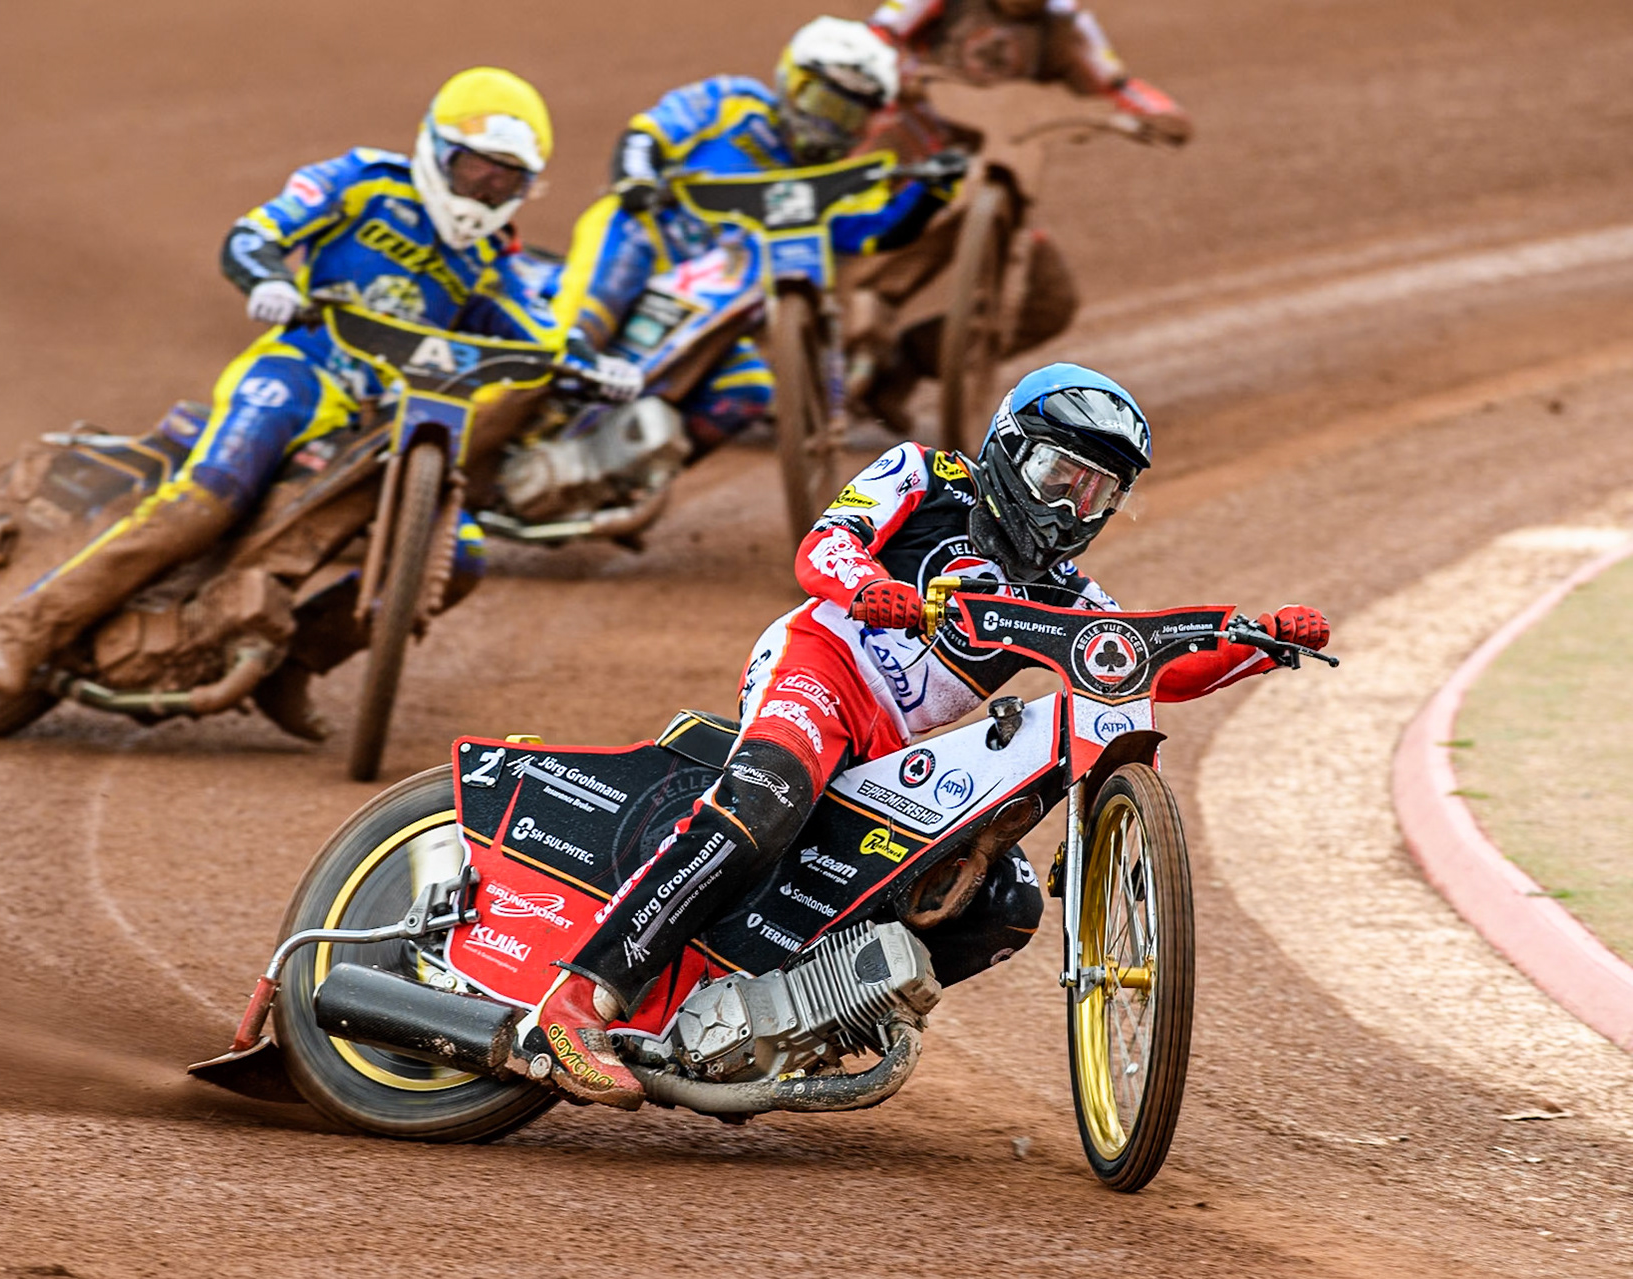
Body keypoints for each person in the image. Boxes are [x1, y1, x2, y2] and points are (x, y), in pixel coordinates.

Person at [518, 363, 1330, 1106]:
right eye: (1057, 476)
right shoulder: (923, 474)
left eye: (1095, 493)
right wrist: (873, 587)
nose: (1068, 510)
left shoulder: (1069, 593)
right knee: (771, 796)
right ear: (1009, 451)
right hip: (819, 667)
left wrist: (1257, 646)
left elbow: (1141, 666)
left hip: (895, 747)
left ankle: (809, 1013)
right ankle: (581, 996)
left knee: (1001, 901)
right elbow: (823, 545)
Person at [0, 67, 638, 735]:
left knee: (458, 555)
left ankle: (291, 665)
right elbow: (258, 232)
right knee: (215, 494)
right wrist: (266, 275)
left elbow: (544, 338)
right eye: (476, 169)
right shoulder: (363, 182)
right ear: (436, 150)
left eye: (506, 179)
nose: (486, 189)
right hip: (303, 370)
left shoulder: (495, 262)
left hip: (393, 416)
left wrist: (595, 368)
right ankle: (21, 628)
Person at [548, 16, 960, 456]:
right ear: (792, 82)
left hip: (712, 314)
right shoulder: (732, 102)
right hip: (648, 241)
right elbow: (650, 131)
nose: (831, 126)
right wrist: (635, 180)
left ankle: (630, 482)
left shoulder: (825, 184)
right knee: (589, 315)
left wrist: (933, 192)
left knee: (747, 393)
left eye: (850, 116)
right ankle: (550, 368)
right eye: (825, 103)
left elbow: (876, 234)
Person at [850, 0, 1193, 433]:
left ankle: (902, 366)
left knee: (1047, 301)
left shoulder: (1064, 26)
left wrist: (1157, 112)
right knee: (860, 248)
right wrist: (898, 73)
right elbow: (875, 38)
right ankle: (806, 359)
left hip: (1001, 175)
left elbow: (1113, 84)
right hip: (910, 157)